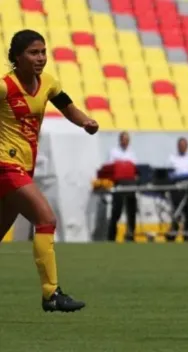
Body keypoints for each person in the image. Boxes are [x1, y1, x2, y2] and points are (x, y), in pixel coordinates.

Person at [0, 30, 99, 312]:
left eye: (43, 51)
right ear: (17, 57)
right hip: (6, 167)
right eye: (33, 52)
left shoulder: (48, 84)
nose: (41, 58)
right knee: (45, 218)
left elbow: (67, 107)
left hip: (23, 169)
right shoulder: (5, 87)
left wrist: (86, 122)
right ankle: (51, 293)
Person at [107, 131, 137, 242]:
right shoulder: (114, 152)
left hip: (130, 184)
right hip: (119, 184)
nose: (125, 142)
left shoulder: (132, 153)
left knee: (131, 210)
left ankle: (130, 234)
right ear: (120, 140)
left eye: (127, 140)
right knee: (116, 211)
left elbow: (134, 168)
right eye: (124, 139)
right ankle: (111, 236)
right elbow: (111, 166)